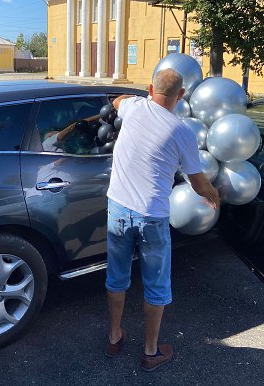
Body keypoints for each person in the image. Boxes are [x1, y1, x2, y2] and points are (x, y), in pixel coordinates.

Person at [105, 68, 220, 372]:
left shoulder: (133, 107)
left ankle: (114, 337)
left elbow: (117, 101)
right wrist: (214, 195)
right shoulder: (183, 132)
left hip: (118, 209)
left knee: (116, 277)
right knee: (156, 284)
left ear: (149, 88)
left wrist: (132, 97)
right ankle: (150, 351)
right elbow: (198, 183)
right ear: (181, 95)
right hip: (152, 217)